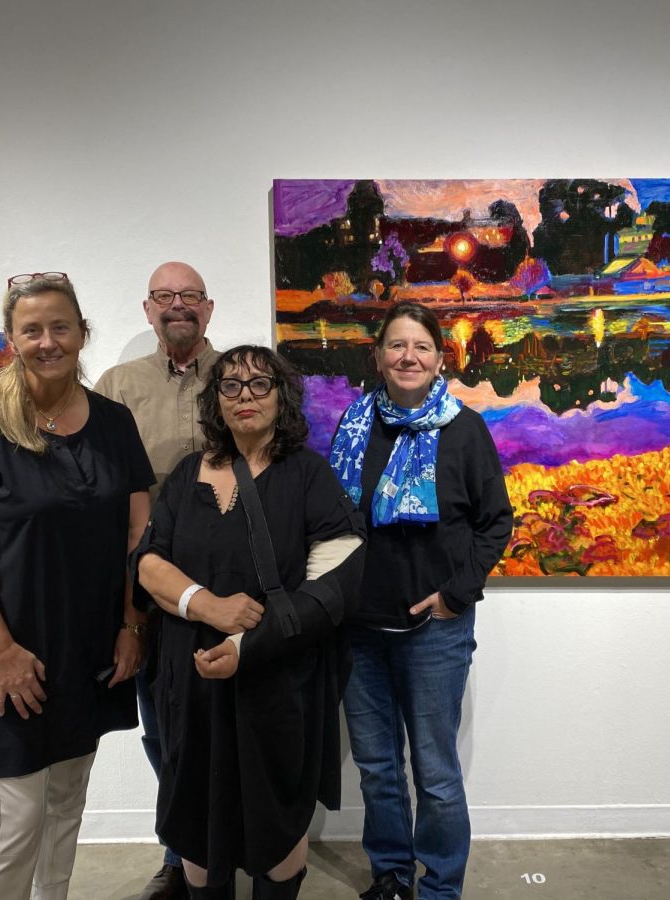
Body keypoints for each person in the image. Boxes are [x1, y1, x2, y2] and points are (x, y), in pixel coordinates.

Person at [0, 273, 154, 899]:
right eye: (32, 330)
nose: (48, 341)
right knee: (14, 822)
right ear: (11, 339)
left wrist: (132, 624)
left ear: (83, 333)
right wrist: (2, 653)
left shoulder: (113, 422)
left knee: (63, 809)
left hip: (91, 650)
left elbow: (140, 529)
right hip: (14, 655)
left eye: (61, 327)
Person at [136, 345, 366, 900]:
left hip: (278, 678)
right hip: (191, 679)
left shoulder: (307, 474)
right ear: (216, 400)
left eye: (260, 385)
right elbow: (148, 562)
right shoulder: (189, 472)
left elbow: (337, 580)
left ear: (281, 396)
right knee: (195, 806)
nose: (246, 397)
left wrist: (249, 644)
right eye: (231, 386)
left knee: (277, 806)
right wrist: (206, 604)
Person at [328, 302, 513, 900]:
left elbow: (495, 523)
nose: (409, 357)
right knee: (378, 770)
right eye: (397, 345)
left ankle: (439, 887)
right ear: (378, 356)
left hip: (435, 631)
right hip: (360, 627)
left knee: (435, 773)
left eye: (422, 347)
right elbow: (332, 521)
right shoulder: (355, 426)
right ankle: (391, 874)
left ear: (439, 359)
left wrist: (457, 596)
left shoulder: (464, 430)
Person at [94, 261, 220, 900]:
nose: (178, 306)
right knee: (163, 731)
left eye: (189, 296)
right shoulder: (117, 386)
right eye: (165, 297)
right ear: (148, 310)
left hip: (225, 587)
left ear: (209, 307)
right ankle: (179, 856)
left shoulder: (237, 378)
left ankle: (230, 846)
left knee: (226, 724)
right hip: (146, 587)